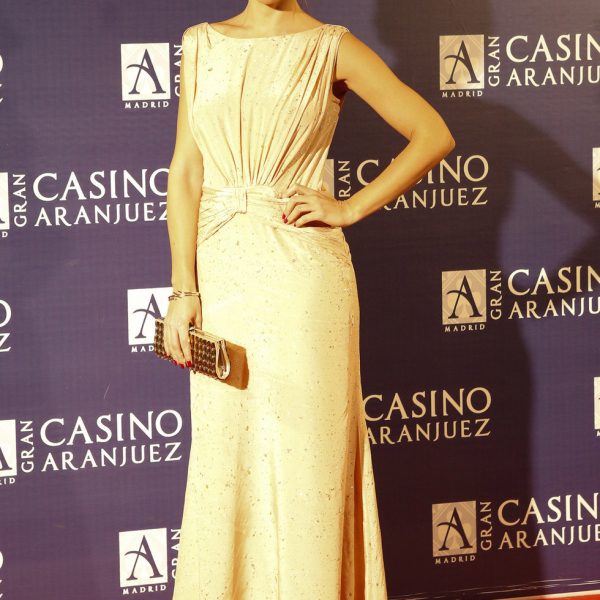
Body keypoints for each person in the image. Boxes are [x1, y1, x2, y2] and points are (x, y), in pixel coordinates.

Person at [164, 1, 455, 598]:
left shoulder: (332, 46)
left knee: (308, 459)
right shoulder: (200, 44)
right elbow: (186, 170)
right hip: (223, 281)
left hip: (302, 281)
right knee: (228, 457)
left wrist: (349, 207)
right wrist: (183, 289)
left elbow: (433, 134)